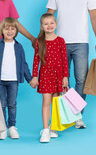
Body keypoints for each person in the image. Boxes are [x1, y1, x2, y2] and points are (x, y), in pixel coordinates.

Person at [46, 0, 96, 129]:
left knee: (81, 80)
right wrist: (44, 40)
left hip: (81, 42)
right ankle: (65, 115)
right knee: (62, 81)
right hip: (59, 42)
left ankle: (76, 115)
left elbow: (94, 18)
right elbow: (49, 16)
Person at [0, 17, 36, 140]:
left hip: (13, 80)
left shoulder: (19, 47)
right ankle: (2, 128)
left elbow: (23, 64)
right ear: (2, 30)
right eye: (7, 29)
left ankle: (12, 127)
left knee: (12, 104)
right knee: (1, 104)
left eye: (12, 29)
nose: (9, 31)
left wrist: (29, 79)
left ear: (16, 31)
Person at [31, 13, 69, 143]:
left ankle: (54, 127)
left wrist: (65, 77)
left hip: (58, 75)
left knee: (56, 102)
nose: (49, 26)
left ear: (56, 24)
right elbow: (36, 60)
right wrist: (34, 76)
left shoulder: (60, 41)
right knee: (46, 101)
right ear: (41, 27)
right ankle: (45, 130)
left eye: (51, 23)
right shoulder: (39, 42)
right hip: (46, 74)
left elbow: (65, 60)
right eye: (46, 24)